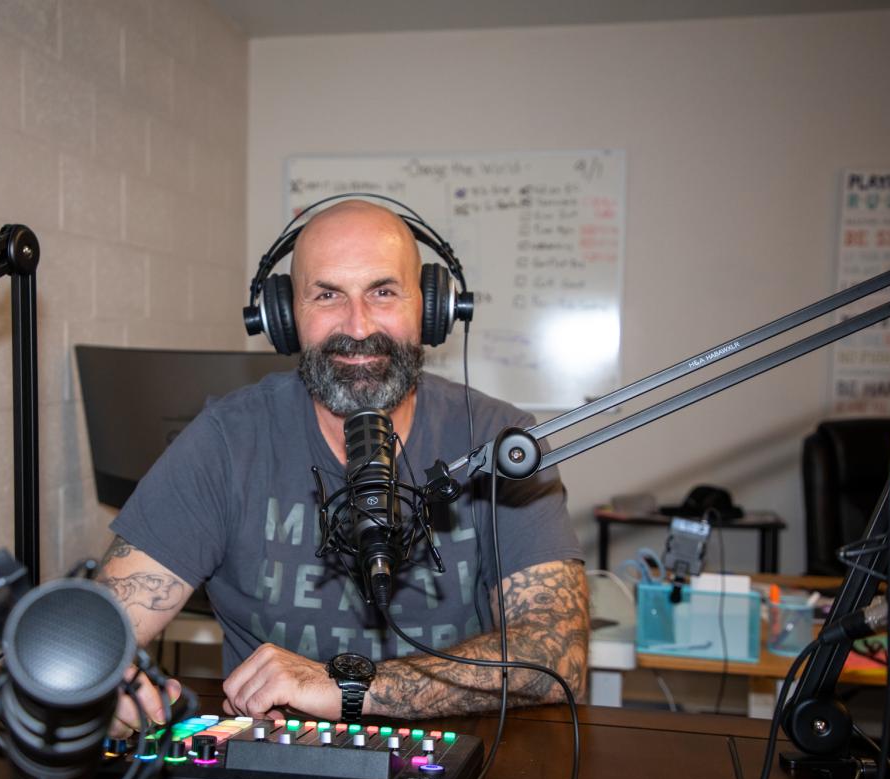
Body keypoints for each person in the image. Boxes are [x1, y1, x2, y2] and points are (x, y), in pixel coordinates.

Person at [99, 200, 588, 736]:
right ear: (284, 317)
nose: (358, 327)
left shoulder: (498, 442)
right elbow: (100, 634)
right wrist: (107, 684)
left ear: (431, 310)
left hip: (463, 762)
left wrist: (356, 688)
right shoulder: (226, 442)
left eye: (382, 292)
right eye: (327, 295)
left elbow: (557, 656)